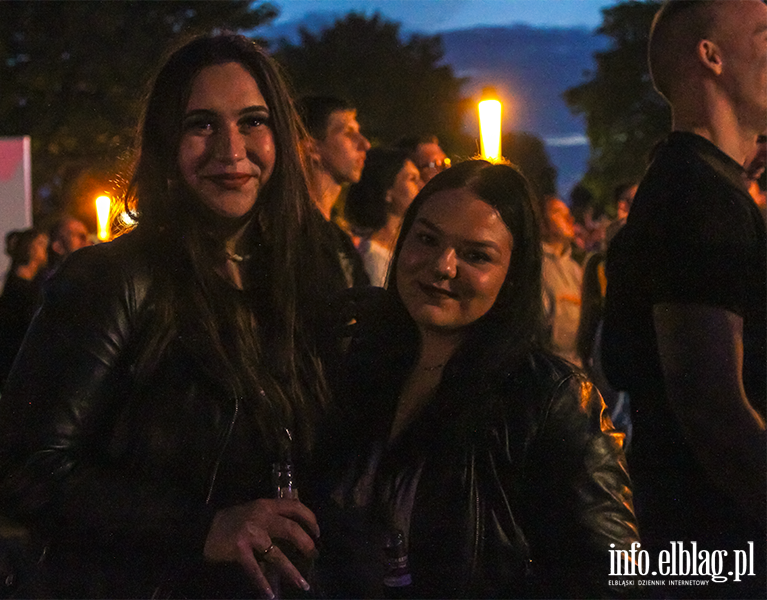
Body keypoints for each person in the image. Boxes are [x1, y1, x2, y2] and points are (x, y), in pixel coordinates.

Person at [0, 33, 348, 600]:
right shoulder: (113, 278)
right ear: (166, 144)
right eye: (201, 124)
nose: (230, 150)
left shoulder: (310, 277)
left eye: (252, 121)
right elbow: (22, 467)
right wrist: (202, 526)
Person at [317, 159, 638, 599]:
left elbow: (612, 576)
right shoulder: (356, 363)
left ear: (512, 276)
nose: (443, 266)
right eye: (427, 239)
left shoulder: (550, 401)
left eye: (476, 255)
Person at [602, 0, 767, 593]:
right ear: (711, 56)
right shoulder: (697, 197)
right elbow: (712, 408)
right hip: (720, 549)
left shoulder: (703, 187)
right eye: (765, 35)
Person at [297, 95, 371, 288]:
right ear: (312, 148)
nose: (365, 144)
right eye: (349, 132)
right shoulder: (294, 233)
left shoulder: (338, 238)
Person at [344, 147, 421, 286]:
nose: (420, 186)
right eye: (412, 179)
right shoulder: (371, 255)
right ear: (388, 191)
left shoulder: (408, 247)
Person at [0, 229, 48, 396]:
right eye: (40, 244)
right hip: (16, 357)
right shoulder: (19, 285)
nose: (45, 248)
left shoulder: (35, 281)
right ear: (29, 248)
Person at [539, 195, 583, 366]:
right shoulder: (537, 266)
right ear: (542, 223)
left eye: (568, 213)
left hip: (576, 372)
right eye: (558, 212)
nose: (569, 218)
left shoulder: (575, 269)